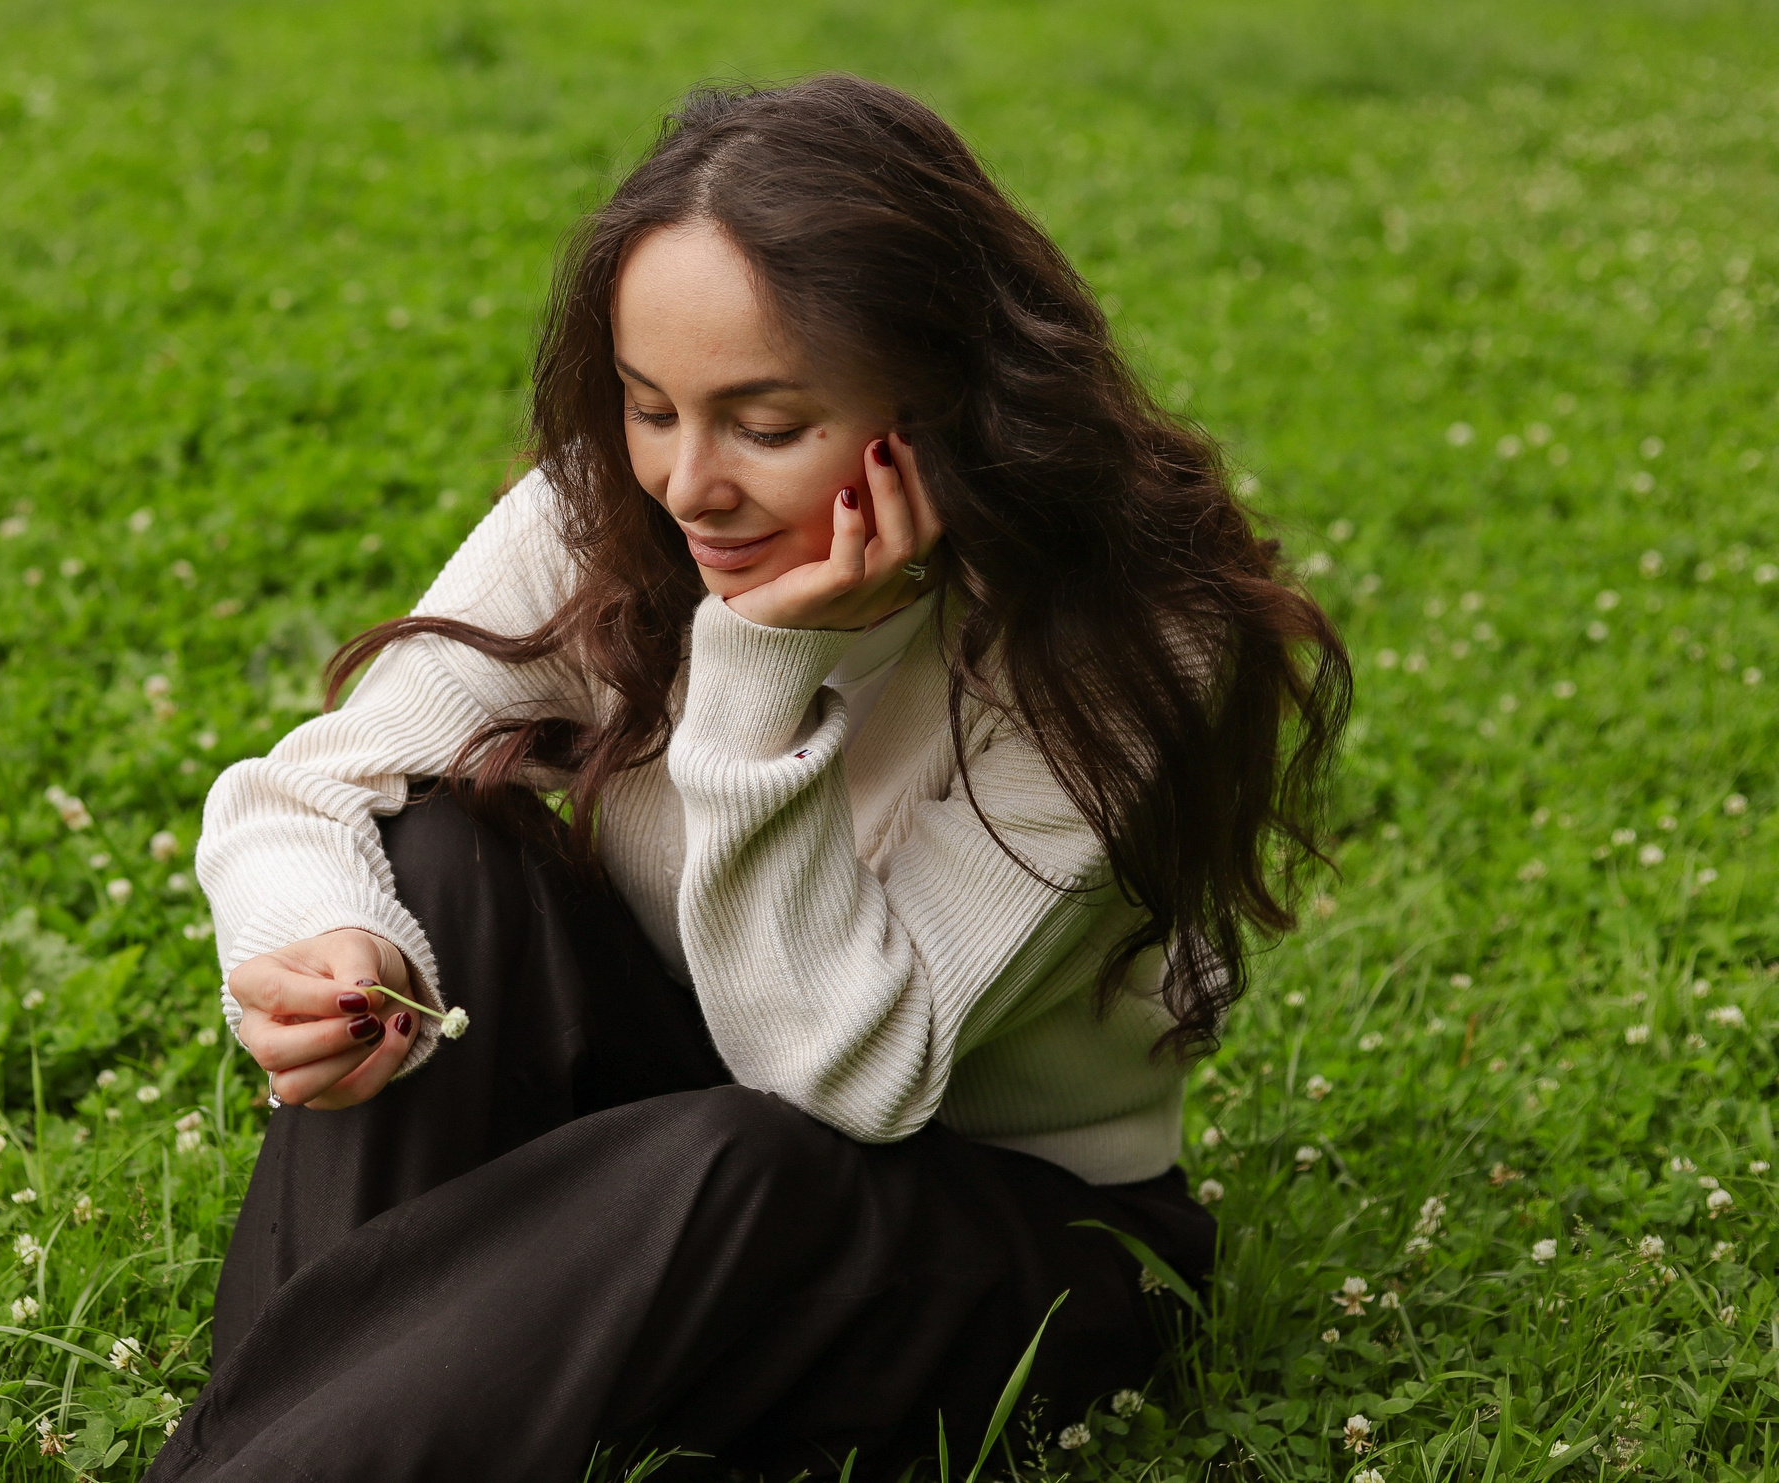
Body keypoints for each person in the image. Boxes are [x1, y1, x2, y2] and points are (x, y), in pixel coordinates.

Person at [151, 75, 1351, 1482]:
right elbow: (306, 794)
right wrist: (320, 945)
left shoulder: (1134, 636)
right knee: (435, 863)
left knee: (732, 1155)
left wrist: (759, 671)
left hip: (1008, 1229)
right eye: (648, 406)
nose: (687, 484)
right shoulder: (611, 509)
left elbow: (837, 1079)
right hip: (678, 1129)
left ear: (948, 400)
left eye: (766, 425)